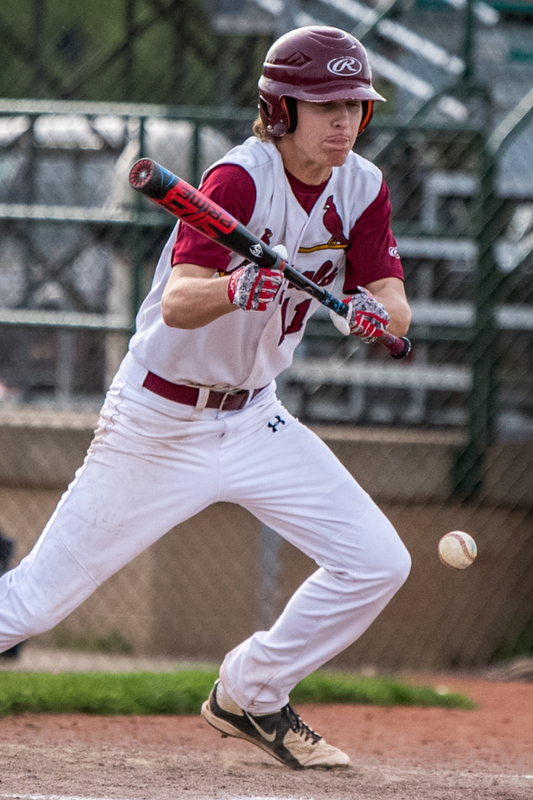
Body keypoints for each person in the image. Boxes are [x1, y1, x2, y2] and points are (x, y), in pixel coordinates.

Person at [0, 26, 411, 770]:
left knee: (377, 561)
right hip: (156, 421)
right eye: (325, 105)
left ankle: (250, 694)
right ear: (279, 109)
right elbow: (181, 303)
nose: (344, 120)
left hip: (254, 417)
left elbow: (392, 297)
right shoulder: (237, 181)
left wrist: (374, 311)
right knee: (31, 606)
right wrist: (236, 287)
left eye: (354, 104)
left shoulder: (363, 186)